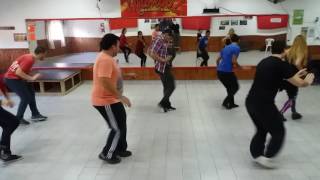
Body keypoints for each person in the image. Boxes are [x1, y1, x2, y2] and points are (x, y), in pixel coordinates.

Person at [246, 40, 314, 169]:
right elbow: (299, 83)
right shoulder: (282, 65)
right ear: (284, 50)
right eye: (287, 49)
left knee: (262, 129)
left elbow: (276, 80)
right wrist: (307, 82)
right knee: (279, 131)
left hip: (250, 102)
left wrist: (294, 75)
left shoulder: (264, 62)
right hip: (264, 104)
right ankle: (267, 157)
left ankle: (256, 155)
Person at [91, 33, 132, 164]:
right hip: (105, 100)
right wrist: (121, 96)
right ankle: (107, 154)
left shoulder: (108, 58)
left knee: (121, 123)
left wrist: (127, 76)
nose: (119, 49)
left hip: (111, 98)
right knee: (117, 128)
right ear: (113, 46)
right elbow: (104, 81)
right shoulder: (105, 59)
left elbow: (114, 75)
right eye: (118, 46)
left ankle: (120, 148)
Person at [4, 47, 48, 125]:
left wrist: (30, 76)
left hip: (17, 78)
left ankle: (35, 114)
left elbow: (21, 70)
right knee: (25, 98)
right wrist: (32, 78)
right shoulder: (29, 59)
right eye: (45, 54)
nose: (45, 56)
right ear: (41, 53)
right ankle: (18, 119)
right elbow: (18, 72)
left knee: (31, 93)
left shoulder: (29, 57)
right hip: (12, 79)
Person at [279, 35, 308, 120]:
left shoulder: (288, 50)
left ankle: (294, 112)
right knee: (293, 97)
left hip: (286, 76)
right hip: (294, 77)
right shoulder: (300, 52)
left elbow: (281, 59)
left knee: (291, 95)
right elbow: (297, 63)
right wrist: (303, 71)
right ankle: (281, 113)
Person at [149, 29, 176, 113]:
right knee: (171, 86)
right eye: (170, 37)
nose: (170, 40)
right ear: (166, 34)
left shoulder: (162, 40)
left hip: (163, 67)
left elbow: (158, 51)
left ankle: (167, 105)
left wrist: (167, 48)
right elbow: (151, 53)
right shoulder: (159, 40)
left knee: (167, 86)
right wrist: (163, 60)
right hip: (162, 68)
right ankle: (163, 103)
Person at [0, 73, 22, 163]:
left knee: (7, 125)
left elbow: (3, 87)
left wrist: (8, 99)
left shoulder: (2, 76)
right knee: (14, 121)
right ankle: (3, 149)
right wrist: (2, 102)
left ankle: (5, 152)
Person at [216, 34, 241, 109]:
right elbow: (234, 61)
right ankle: (225, 102)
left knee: (230, 88)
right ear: (238, 40)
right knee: (235, 87)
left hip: (220, 72)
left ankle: (231, 103)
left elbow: (217, 60)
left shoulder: (225, 48)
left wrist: (219, 68)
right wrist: (240, 67)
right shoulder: (236, 47)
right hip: (227, 72)